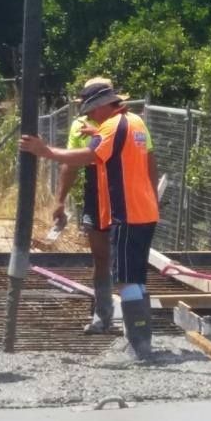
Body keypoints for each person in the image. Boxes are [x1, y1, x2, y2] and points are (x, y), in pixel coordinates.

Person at [20, 83, 160, 358]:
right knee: (136, 277)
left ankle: (139, 348)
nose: (90, 117)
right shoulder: (134, 121)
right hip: (144, 210)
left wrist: (45, 151)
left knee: (126, 281)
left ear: (101, 106)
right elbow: (123, 149)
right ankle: (140, 341)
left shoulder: (112, 127)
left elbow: (88, 156)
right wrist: (97, 133)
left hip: (127, 212)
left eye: (91, 111)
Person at [53, 77, 139, 334]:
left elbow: (145, 159)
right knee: (100, 257)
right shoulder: (80, 125)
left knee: (126, 259)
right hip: (95, 191)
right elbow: (70, 165)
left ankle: (134, 321)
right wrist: (59, 200)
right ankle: (102, 316)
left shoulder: (127, 124)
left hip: (122, 192)